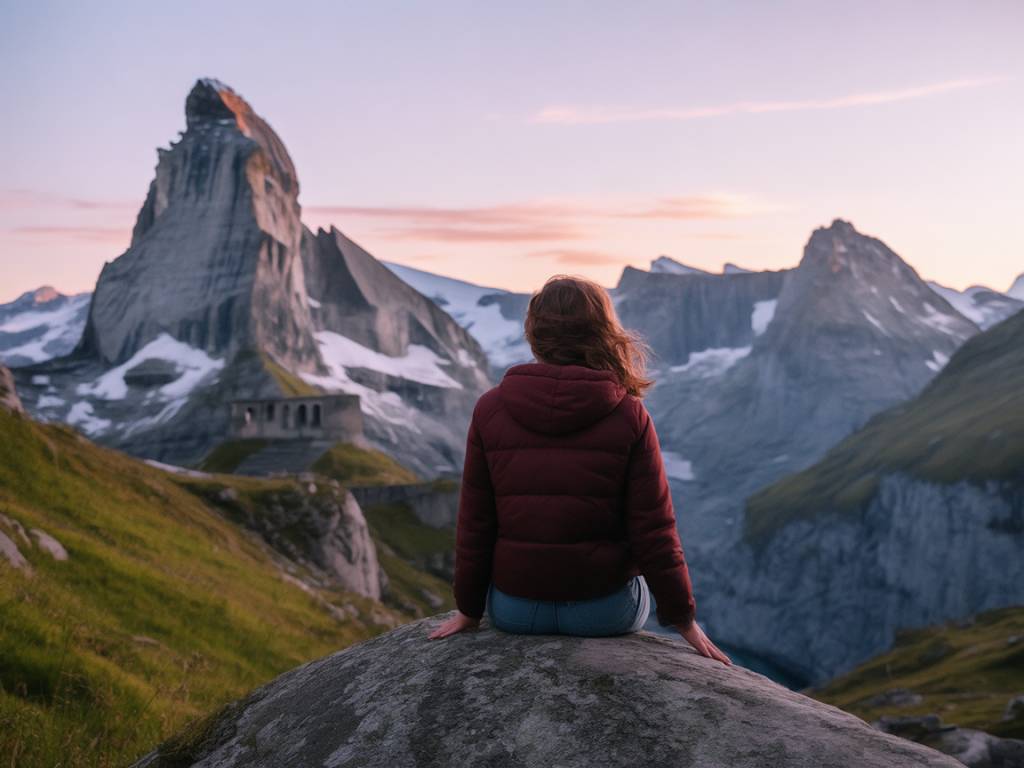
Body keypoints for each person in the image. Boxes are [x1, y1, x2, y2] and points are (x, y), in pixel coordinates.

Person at [428, 275, 730, 665]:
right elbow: (653, 529)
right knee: (629, 579)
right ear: (603, 332)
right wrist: (684, 620)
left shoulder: (490, 408)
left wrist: (469, 611)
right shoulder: (628, 414)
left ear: (534, 333)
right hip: (602, 612)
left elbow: (475, 522)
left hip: (515, 611)